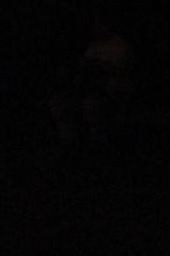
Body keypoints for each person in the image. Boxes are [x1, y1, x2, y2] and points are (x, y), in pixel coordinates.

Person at [50, 9, 135, 151]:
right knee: (59, 102)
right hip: (87, 87)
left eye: (98, 24)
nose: (94, 27)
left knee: (92, 106)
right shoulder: (93, 46)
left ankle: (98, 146)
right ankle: (70, 143)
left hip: (107, 89)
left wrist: (97, 67)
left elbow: (118, 71)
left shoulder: (119, 46)